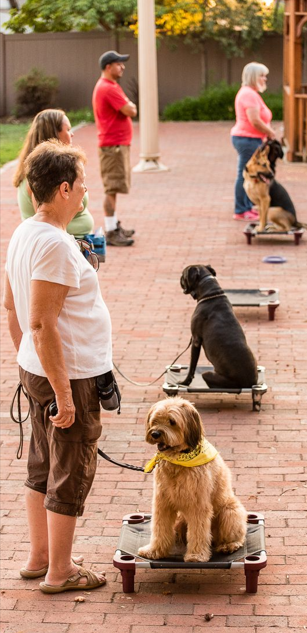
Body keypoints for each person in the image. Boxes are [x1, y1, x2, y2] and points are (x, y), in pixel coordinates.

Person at [4, 140, 111, 593]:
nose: (87, 191)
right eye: (83, 184)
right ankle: (60, 571)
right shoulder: (54, 246)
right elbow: (42, 323)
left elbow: (12, 309)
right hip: (69, 375)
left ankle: (40, 556)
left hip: (40, 368)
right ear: (63, 189)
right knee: (69, 468)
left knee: (42, 465)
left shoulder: (26, 231)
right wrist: (64, 394)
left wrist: (25, 357)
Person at [13, 109, 94, 237]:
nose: (72, 134)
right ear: (54, 134)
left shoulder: (50, 170)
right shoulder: (42, 176)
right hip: (64, 246)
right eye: (67, 130)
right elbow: (44, 223)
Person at [92, 50, 137, 246]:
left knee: (115, 188)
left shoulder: (111, 86)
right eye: (119, 64)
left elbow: (130, 109)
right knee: (111, 188)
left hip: (116, 145)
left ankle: (114, 225)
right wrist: (130, 105)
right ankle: (110, 231)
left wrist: (129, 105)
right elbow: (131, 110)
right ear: (108, 67)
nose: (123, 67)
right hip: (113, 147)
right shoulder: (108, 88)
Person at [230, 62, 276, 221]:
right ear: (253, 77)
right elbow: (254, 120)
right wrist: (270, 132)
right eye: (262, 76)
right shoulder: (248, 94)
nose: (265, 79)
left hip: (251, 138)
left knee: (248, 174)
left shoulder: (251, 93)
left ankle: (247, 207)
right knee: (245, 174)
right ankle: (241, 210)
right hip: (247, 139)